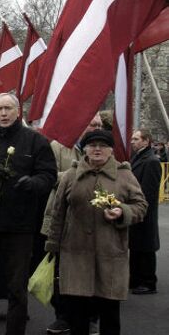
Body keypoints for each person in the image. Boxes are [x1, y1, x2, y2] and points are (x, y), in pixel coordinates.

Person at [0, 93, 56, 335]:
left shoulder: (36, 141)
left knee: (17, 287)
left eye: (8, 108)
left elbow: (49, 175)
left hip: (20, 226)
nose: (3, 114)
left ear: (18, 111)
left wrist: (33, 183)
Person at [45, 130, 147, 335]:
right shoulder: (71, 175)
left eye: (103, 145)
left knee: (109, 314)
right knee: (78, 315)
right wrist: (52, 245)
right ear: (85, 149)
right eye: (92, 145)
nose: (97, 149)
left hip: (110, 254)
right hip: (75, 254)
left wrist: (122, 211)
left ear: (111, 150)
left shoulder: (124, 174)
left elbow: (141, 206)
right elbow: (58, 213)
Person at [41, 113, 102, 334]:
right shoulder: (58, 146)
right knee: (61, 272)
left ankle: (92, 317)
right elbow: (49, 175)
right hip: (63, 220)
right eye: (91, 123)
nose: (95, 127)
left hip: (95, 222)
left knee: (94, 272)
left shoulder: (103, 151)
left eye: (98, 124)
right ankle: (63, 317)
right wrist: (78, 174)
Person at [129, 129, 162, 295]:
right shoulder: (138, 156)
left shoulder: (151, 161)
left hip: (145, 211)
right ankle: (135, 279)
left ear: (146, 140)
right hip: (137, 210)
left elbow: (148, 191)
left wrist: (139, 208)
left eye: (136, 139)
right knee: (136, 246)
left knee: (146, 248)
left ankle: (149, 282)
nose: (132, 141)